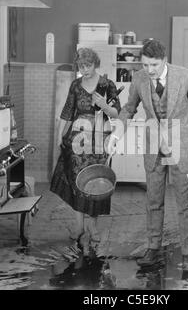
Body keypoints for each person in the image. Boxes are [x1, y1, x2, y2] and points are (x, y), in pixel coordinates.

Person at [107, 39, 188, 271]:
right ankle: (153, 247)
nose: (149, 70)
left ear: (164, 60)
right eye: (146, 65)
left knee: (184, 203)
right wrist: (117, 134)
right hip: (153, 147)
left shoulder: (185, 76)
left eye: (154, 65)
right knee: (153, 200)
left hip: (182, 146)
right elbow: (129, 109)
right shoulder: (139, 78)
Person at [51, 47, 121, 254]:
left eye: (88, 66)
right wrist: (59, 138)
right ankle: (79, 226)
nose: (85, 70)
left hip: (100, 142)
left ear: (95, 64)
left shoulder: (107, 85)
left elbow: (117, 112)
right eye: (81, 66)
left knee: (96, 184)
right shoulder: (75, 85)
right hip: (76, 143)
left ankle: (93, 227)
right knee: (77, 183)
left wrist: (104, 106)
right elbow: (67, 112)